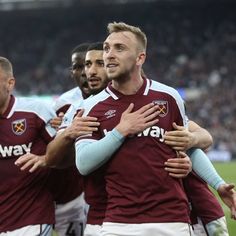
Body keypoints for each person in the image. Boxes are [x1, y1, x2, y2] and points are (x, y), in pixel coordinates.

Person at [74, 22, 236, 236]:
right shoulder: (91, 107)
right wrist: (120, 131)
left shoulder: (168, 97)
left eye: (119, 48)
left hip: (172, 221)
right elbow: (83, 164)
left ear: (140, 58)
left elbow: (186, 145)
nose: (109, 55)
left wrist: (219, 184)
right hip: (119, 224)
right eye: (106, 48)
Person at [0, 56, 56, 235]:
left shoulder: (35, 112)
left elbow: (67, 154)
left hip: (31, 221)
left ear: (10, 83)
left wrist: (46, 159)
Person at [47, 43, 91, 236]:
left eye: (87, 65)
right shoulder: (64, 103)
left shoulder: (115, 96)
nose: (84, 72)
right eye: (77, 67)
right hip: (77, 189)